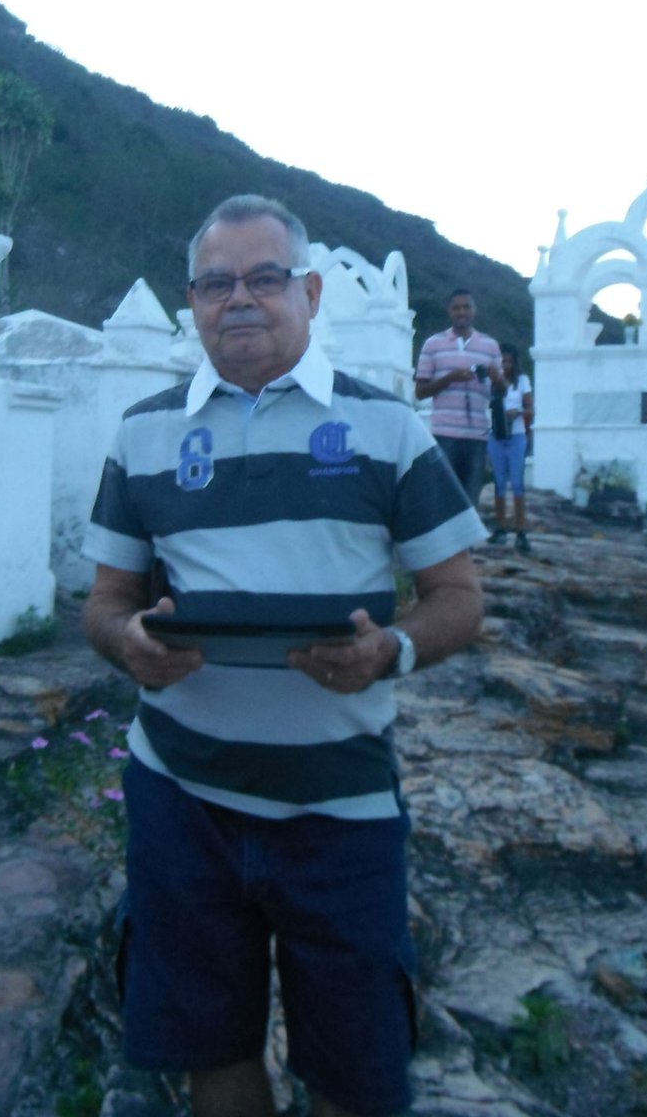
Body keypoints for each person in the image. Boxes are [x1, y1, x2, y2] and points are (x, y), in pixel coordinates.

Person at [82, 194, 486, 1117]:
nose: (240, 299)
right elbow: (105, 602)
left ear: (310, 293)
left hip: (340, 811)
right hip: (181, 800)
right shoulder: (143, 434)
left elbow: (459, 598)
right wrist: (129, 644)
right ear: (193, 302)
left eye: (265, 278)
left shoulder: (387, 427)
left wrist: (392, 651)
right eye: (216, 283)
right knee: (212, 1052)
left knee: (355, 1074)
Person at [413, 289, 504, 508]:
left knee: (470, 499)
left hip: (477, 436)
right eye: (456, 308)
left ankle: (468, 533)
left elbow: (501, 392)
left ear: (474, 310)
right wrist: (450, 378)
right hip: (444, 433)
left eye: (466, 307)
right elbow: (420, 392)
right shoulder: (433, 344)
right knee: (442, 496)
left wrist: (497, 379)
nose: (461, 312)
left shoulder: (490, 346)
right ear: (449, 311)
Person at [486, 346, 534, 552]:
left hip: (516, 435)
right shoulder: (490, 382)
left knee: (517, 483)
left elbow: (531, 408)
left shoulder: (522, 381)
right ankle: (501, 528)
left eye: (508, 362)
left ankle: (521, 532)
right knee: (499, 483)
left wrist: (519, 412)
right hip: (496, 435)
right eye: (502, 362)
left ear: (514, 363)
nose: (505, 366)